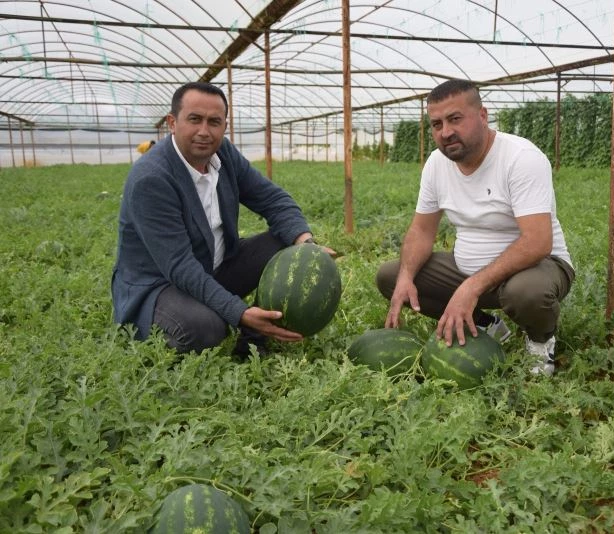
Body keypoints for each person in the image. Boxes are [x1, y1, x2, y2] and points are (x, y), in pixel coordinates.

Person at [112, 81, 331, 356]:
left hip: (212, 268)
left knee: (286, 241)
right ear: (172, 122)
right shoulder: (152, 178)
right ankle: (162, 328)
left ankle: (254, 337)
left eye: (214, 122)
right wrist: (238, 312)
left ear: (224, 126)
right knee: (207, 328)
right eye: (194, 119)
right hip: (161, 286)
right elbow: (180, 267)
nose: (204, 131)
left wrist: (306, 244)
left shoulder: (223, 154)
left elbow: (273, 200)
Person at [376, 79, 574, 376]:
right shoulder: (436, 164)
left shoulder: (521, 158)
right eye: (436, 124)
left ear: (482, 115)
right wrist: (406, 277)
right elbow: (421, 231)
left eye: (455, 119)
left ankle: (540, 341)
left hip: (538, 267)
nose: (445, 132)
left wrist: (471, 286)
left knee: (527, 292)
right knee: (391, 276)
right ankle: (485, 324)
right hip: (468, 270)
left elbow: (537, 242)